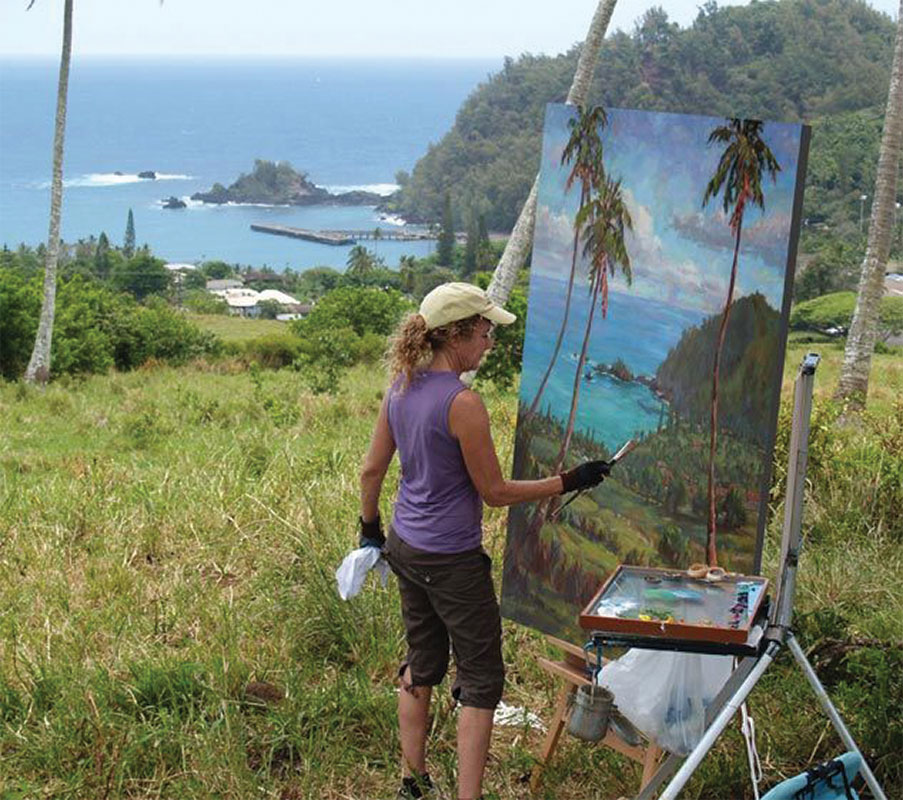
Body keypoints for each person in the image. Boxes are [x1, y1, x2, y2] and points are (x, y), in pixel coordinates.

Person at [358, 282, 610, 800]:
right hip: (451, 559)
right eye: (485, 332)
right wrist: (569, 480)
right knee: (480, 679)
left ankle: (412, 782)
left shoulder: (400, 387)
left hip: (406, 545)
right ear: (457, 335)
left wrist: (370, 528)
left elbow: (371, 470)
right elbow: (494, 493)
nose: (490, 343)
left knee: (421, 661)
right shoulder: (462, 403)